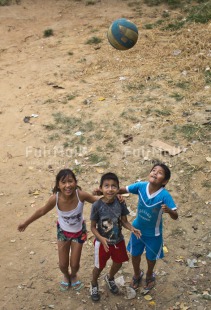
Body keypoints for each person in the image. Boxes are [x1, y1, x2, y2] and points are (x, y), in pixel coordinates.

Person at [18, 168, 99, 291]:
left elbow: (97, 201)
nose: (68, 185)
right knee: (62, 264)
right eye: (63, 182)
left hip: (78, 233)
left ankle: (73, 275)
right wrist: (26, 223)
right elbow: (42, 211)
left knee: (75, 264)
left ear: (75, 182)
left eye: (70, 181)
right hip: (63, 233)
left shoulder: (80, 195)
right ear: (58, 185)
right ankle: (66, 275)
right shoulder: (55, 199)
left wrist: (114, 196)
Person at [118, 163, 178, 291]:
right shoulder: (141, 186)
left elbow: (175, 215)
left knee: (151, 258)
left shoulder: (164, 195)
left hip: (154, 234)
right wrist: (112, 193)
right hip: (136, 230)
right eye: (154, 170)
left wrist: (169, 211)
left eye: (160, 173)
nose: (155, 173)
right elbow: (122, 189)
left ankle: (149, 274)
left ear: (165, 181)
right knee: (135, 255)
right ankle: (137, 274)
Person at [90, 172, 141, 302]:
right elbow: (92, 227)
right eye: (106, 186)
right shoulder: (97, 205)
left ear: (118, 189)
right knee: (99, 266)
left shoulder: (120, 203)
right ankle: (94, 283)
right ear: (101, 188)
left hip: (118, 241)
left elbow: (124, 221)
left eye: (114, 186)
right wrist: (101, 239)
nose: (110, 189)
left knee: (118, 263)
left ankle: (110, 277)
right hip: (102, 243)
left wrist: (132, 228)